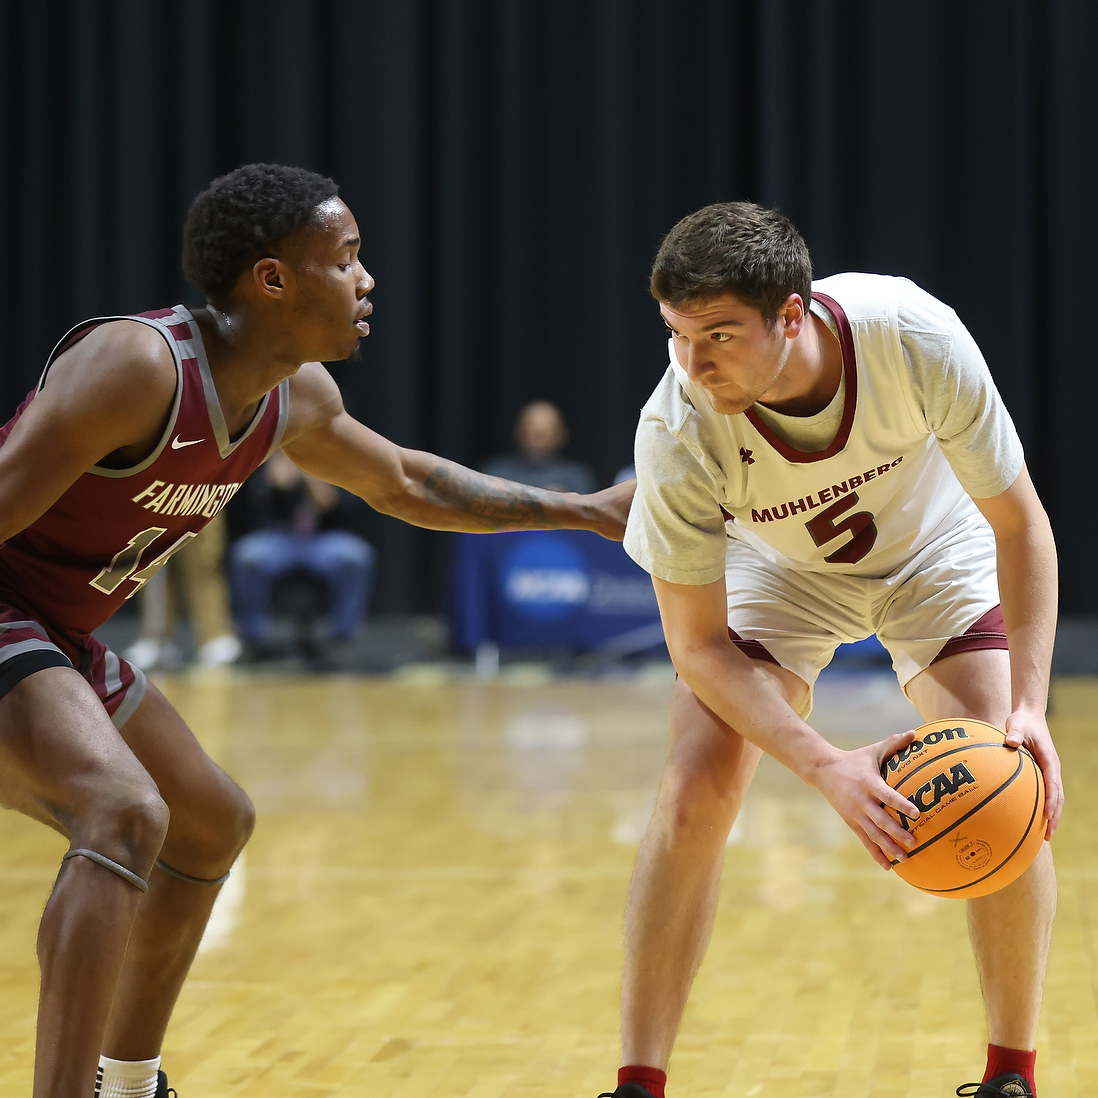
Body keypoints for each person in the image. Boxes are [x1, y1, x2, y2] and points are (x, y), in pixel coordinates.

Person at [0, 163, 632, 1098]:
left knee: (211, 825)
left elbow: (410, 484)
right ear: (272, 280)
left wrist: (588, 511)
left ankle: (128, 1084)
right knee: (124, 812)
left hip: (57, 631)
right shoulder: (136, 367)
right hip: (12, 615)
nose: (366, 279)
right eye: (346, 258)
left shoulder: (296, 399)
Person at [604, 202, 1061, 1098]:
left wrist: (1030, 707)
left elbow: (1023, 526)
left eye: (719, 335)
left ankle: (1012, 1075)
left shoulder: (914, 336)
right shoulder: (675, 427)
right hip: (781, 573)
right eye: (677, 334)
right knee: (697, 781)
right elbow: (695, 646)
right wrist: (822, 767)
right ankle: (636, 1084)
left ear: (792, 313)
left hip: (934, 550)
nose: (694, 363)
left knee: (1002, 765)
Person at [230, 449, 376, 652]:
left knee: (356, 556)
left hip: (321, 539)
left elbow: (330, 502)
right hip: (280, 537)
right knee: (247, 556)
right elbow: (262, 497)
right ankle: (253, 638)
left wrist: (307, 472)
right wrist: (277, 480)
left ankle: (343, 636)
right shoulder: (269, 452)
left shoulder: (335, 458)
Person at [125, 512, 242, 670]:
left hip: (202, 491)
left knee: (204, 560)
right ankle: (157, 639)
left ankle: (215, 636)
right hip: (156, 492)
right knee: (152, 562)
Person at [481, 399, 598, 493]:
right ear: (519, 432)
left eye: (544, 433)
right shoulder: (496, 473)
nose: (537, 440)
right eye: (532, 432)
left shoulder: (577, 477)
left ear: (560, 435)